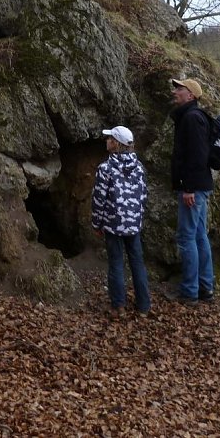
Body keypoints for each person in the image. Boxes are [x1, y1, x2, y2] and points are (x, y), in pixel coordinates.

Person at [91, 125, 151, 318]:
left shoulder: (106, 168)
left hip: (113, 224)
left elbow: (99, 199)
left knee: (116, 263)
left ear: (116, 144)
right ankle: (143, 306)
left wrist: (97, 223)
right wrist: (138, 220)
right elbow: (143, 196)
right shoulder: (139, 168)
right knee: (137, 263)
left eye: (110, 139)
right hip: (133, 225)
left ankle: (119, 306)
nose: (106, 141)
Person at [169, 78, 215, 305]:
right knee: (198, 236)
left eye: (180, 89)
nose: (175, 91)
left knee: (187, 237)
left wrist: (188, 188)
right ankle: (205, 288)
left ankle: (190, 291)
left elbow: (196, 156)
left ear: (191, 95)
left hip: (193, 189)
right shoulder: (193, 117)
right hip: (200, 187)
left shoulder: (191, 118)